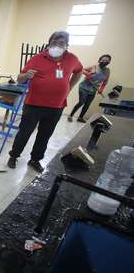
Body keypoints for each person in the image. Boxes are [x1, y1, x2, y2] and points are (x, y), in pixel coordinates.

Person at [7, 31, 83, 173]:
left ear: (67, 45)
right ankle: (14, 156)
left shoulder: (72, 59)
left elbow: (79, 71)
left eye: (61, 43)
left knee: (45, 134)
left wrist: (70, 87)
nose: (57, 45)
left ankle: (35, 159)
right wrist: (26, 75)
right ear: (49, 43)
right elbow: (19, 78)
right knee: (24, 132)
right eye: (54, 42)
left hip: (56, 106)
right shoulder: (37, 58)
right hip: (34, 104)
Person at [68, 54, 111, 123]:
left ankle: (80, 117)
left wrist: (101, 89)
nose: (105, 61)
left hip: (93, 89)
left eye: (107, 61)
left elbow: (105, 82)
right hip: (84, 87)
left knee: (87, 104)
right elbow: (81, 70)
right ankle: (71, 115)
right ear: (99, 60)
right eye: (103, 60)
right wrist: (87, 74)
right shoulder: (94, 67)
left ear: (108, 62)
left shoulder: (107, 71)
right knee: (81, 102)